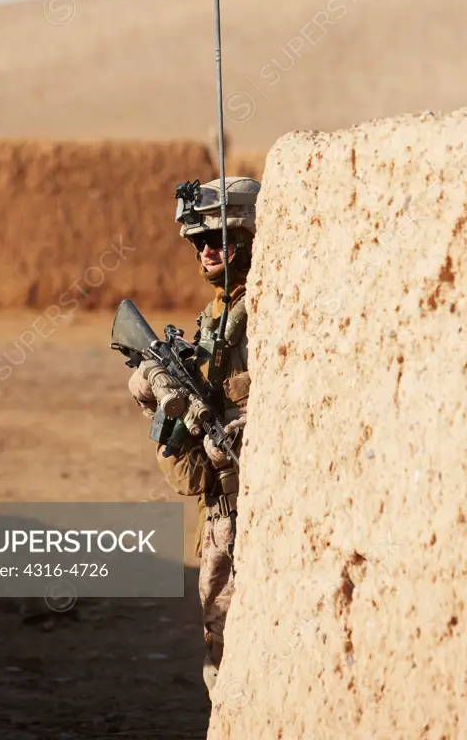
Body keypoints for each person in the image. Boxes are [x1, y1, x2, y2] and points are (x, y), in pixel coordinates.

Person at [128, 176, 261, 696]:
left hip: (253, 509)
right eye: (197, 241)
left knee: (233, 646)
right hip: (219, 511)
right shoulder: (215, 317)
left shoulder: (266, 312)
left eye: (220, 237)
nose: (206, 249)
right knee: (218, 646)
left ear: (251, 236)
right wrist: (155, 385)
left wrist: (235, 433)